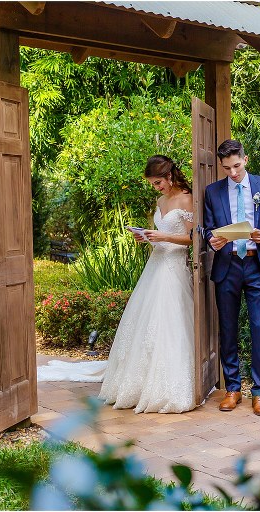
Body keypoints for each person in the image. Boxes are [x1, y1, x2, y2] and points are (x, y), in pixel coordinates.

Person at [38, 155, 197, 414]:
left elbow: (192, 238)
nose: (156, 188)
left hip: (174, 268)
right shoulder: (160, 201)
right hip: (155, 266)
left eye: (158, 183)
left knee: (171, 323)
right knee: (145, 324)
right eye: (153, 184)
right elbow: (161, 237)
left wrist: (164, 235)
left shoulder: (187, 198)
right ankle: (139, 381)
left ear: (170, 176)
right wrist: (146, 238)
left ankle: (168, 385)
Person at [203, 139, 260, 416]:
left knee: (259, 327)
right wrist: (210, 240)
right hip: (227, 267)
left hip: (257, 266)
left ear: (245, 160)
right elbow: (208, 229)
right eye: (227, 168)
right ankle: (233, 389)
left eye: (236, 166)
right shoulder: (212, 192)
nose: (233, 173)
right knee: (228, 328)